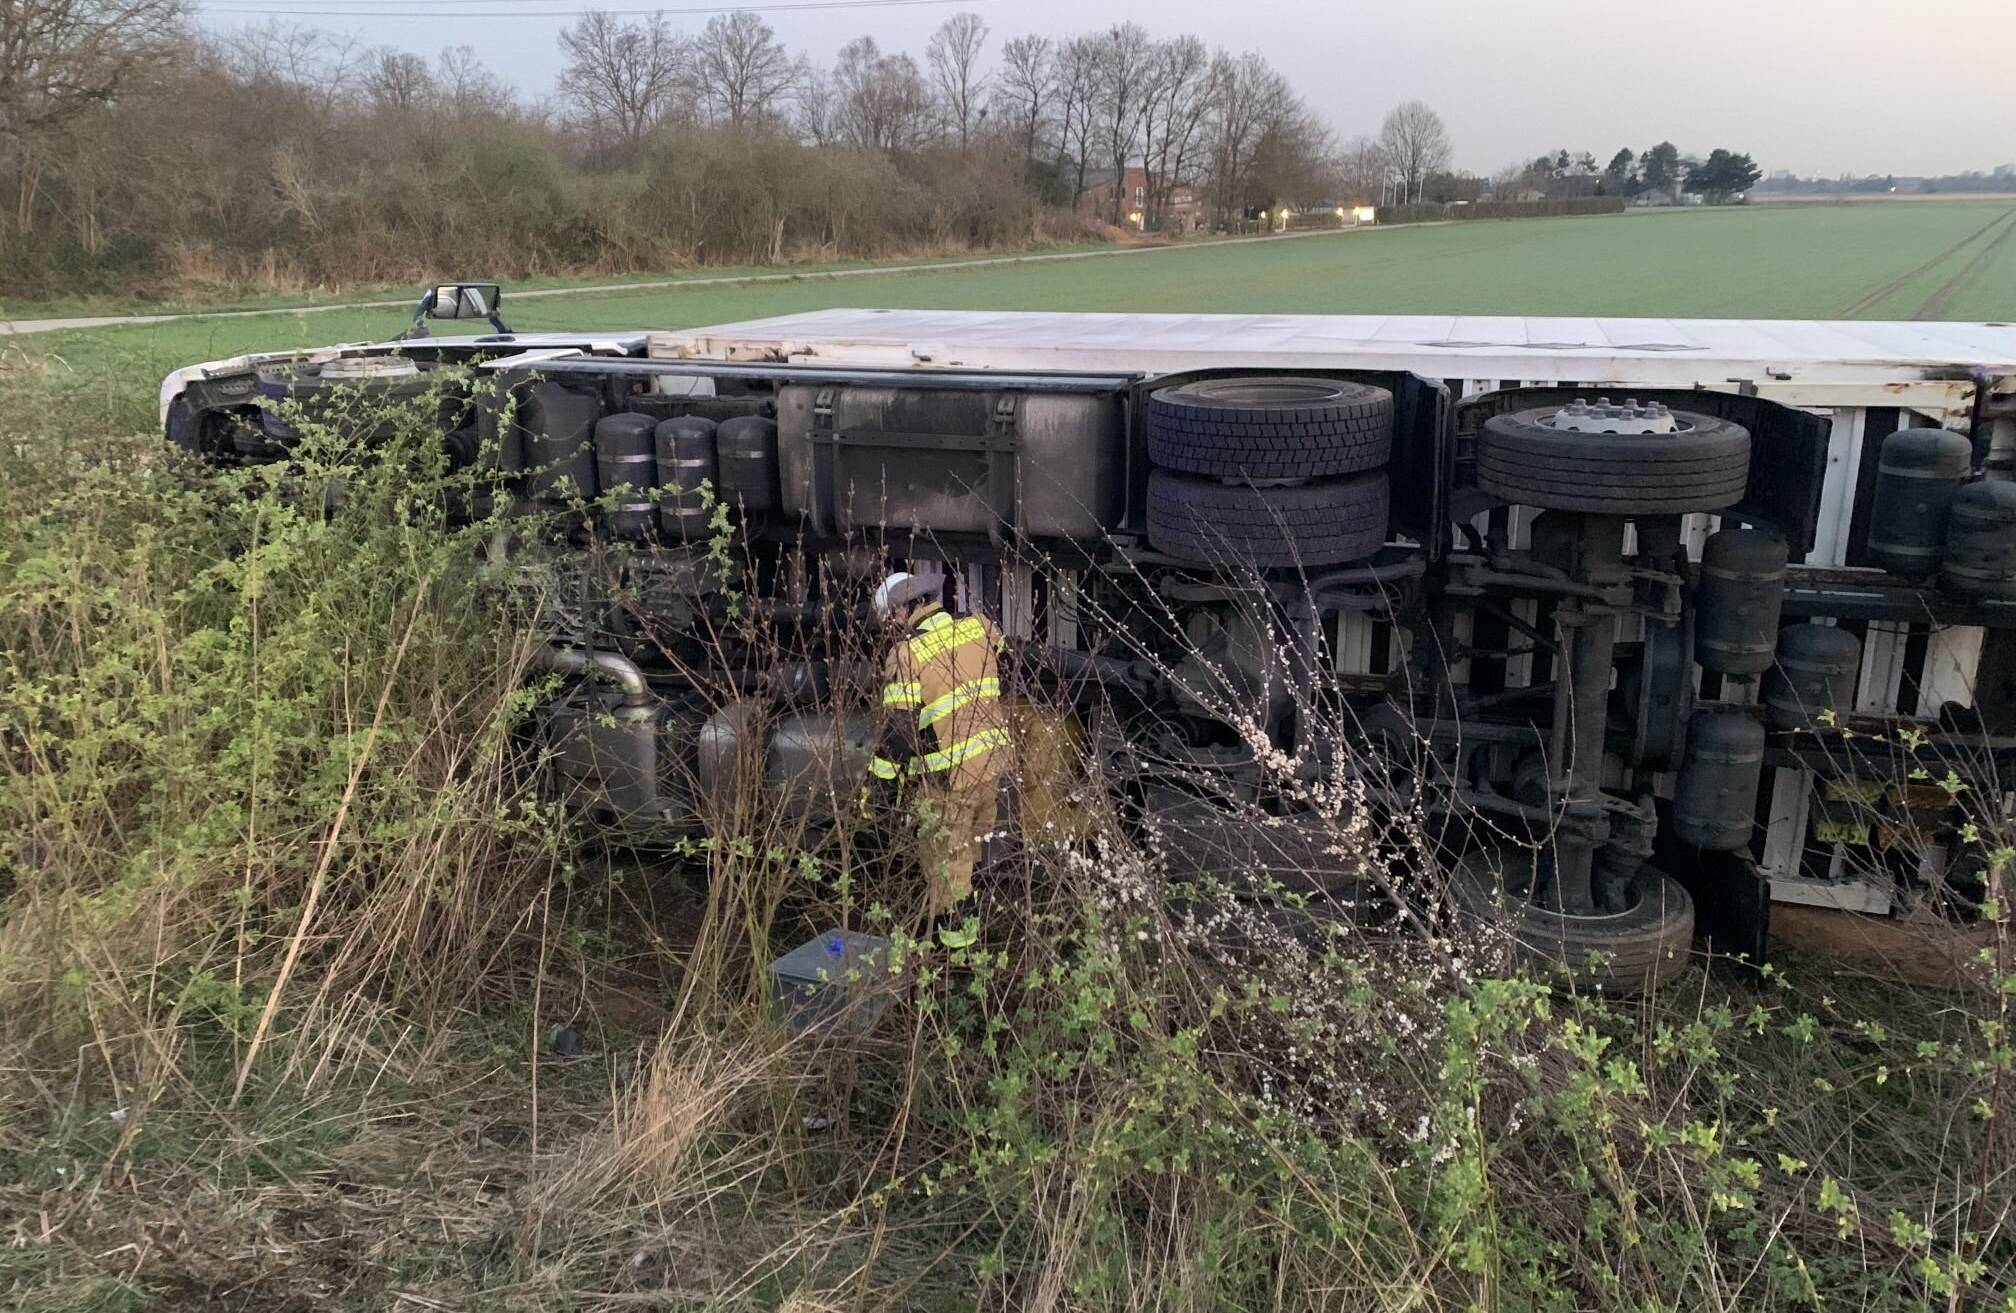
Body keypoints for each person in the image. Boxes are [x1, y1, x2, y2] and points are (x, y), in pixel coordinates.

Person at [868, 571, 1010, 947]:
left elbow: (897, 736)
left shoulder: (907, 654)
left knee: (947, 868)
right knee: (971, 854)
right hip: (992, 763)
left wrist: (879, 791)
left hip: (950, 779)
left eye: (891, 620)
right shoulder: (979, 627)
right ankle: (974, 927)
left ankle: (959, 960)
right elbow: (1003, 666)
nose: (892, 629)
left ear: (902, 610)